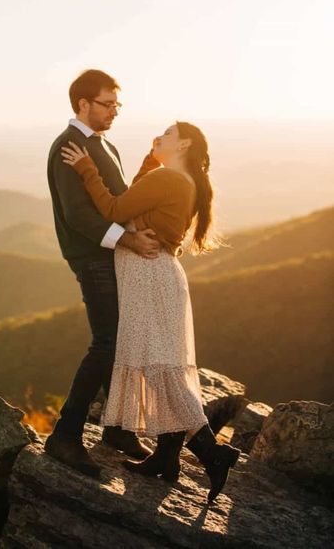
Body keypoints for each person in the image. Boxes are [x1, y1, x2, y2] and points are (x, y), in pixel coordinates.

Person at [60, 121, 241, 503]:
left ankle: (212, 453)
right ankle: (167, 456)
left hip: (148, 278)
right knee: (160, 366)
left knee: (160, 369)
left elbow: (112, 208)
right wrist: (149, 159)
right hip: (158, 277)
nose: (159, 137)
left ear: (185, 143)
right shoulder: (176, 178)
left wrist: (86, 169)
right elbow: (136, 202)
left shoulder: (168, 179)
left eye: (168, 135)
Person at [45, 69, 161, 479]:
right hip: (91, 257)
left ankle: (114, 429)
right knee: (107, 342)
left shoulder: (102, 144)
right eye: (107, 104)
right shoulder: (68, 146)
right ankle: (65, 435)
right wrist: (128, 241)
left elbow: (115, 199)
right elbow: (78, 216)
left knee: (122, 338)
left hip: (109, 254)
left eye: (117, 105)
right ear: (83, 104)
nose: (115, 111)